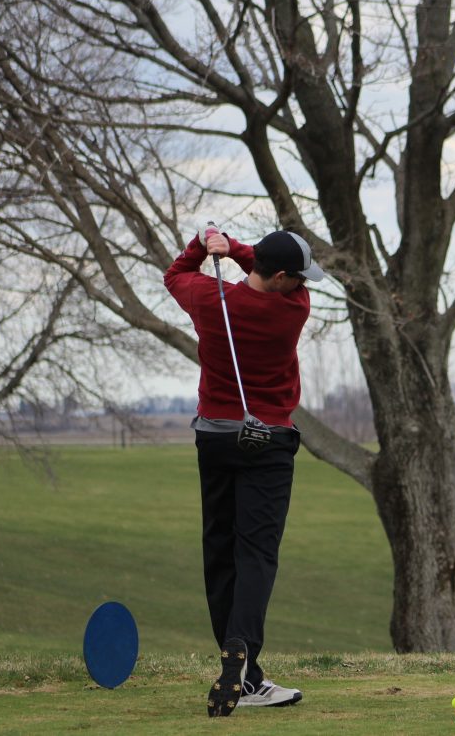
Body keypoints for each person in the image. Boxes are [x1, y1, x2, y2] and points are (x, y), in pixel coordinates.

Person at [164, 225, 324, 717]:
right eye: (297, 276)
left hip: (214, 438)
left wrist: (204, 242)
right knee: (256, 553)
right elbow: (258, 264)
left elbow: (176, 274)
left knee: (219, 550)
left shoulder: (210, 302)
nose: (302, 284)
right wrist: (231, 248)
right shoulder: (294, 309)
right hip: (269, 442)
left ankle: (245, 674)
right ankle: (242, 648)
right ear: (281, 278)